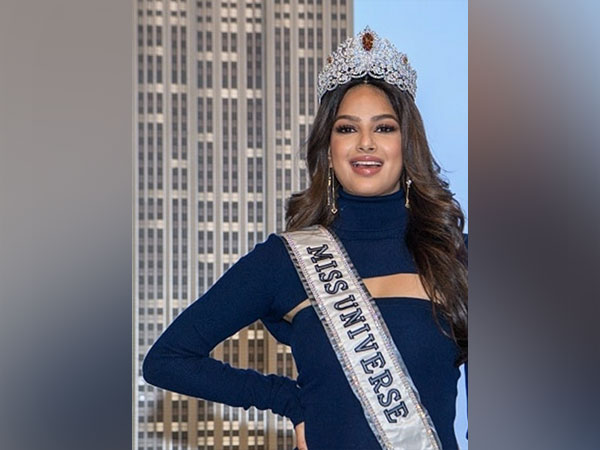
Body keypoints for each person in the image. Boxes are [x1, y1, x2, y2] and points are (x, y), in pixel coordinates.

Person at [143, 27, 468, 450]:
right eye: (347, 129)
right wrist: (288, 400)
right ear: (327, 148)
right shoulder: (288, 259)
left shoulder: (456, 255)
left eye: (384, 128)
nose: (366, 143)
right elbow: (167, 361)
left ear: (407, 143)